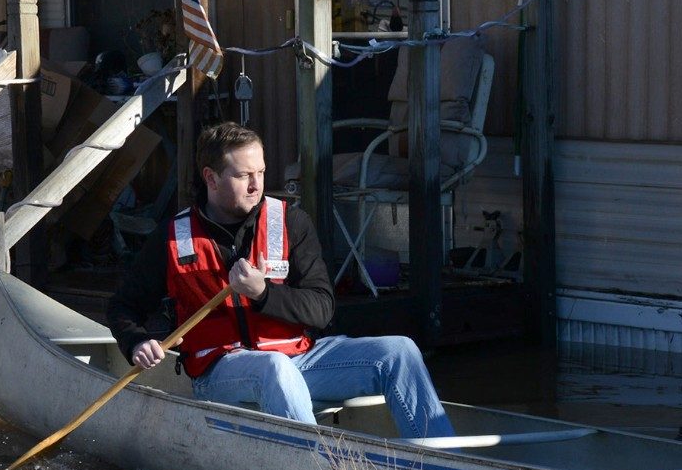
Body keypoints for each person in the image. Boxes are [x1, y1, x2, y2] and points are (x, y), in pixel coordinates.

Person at [107, 121, 454, 439]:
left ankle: (449, 468)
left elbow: (322, 310)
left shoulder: (291, 222)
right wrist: (137, 342)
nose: (257, 185)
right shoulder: (171, 237)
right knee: (271, 367)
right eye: (244, 175)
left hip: (299, 359)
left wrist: (262, 293)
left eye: (261, 172)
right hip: (220, 372)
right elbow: (123, 307)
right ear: (211, 178)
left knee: (400, 351)